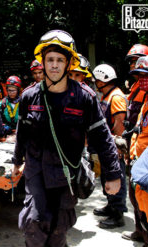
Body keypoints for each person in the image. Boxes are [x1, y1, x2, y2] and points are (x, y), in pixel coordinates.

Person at [12, 29, 122, 247]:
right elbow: (22, 133)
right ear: (42, 63)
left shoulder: (84, 97)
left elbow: (102, 137)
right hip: (36, 173)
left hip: (66, 176)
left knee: (58, 229)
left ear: (69, 63)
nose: (54, 65)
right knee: (33, 224)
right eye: (50, 59)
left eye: (59, 60)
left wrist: (113, 174)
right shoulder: (28, 96)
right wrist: (17, 162)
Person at [92, 64, 128, 228]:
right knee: (107, 177)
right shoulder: (106, 95)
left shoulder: (116, 97)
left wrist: (116, 146)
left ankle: (118, 214)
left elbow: (120, 124)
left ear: (102, 80)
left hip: (114, 146)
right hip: (105, 146)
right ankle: (110, 205)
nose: (95, 83)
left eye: (96, 81)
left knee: (116, 177)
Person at [128, 54, 148, 246]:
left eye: (146, 75)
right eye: (138, 76)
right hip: (140, 165)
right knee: (143, 210)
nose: (142, 80)